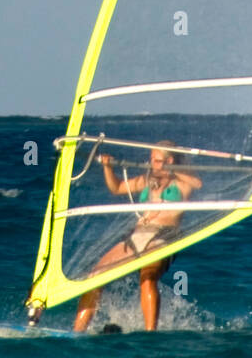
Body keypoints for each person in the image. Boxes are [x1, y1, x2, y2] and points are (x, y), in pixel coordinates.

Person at [73, 141, 202, 333]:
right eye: (151, 160)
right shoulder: (147, 180)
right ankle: (77, 331)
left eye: (157, 160)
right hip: (137, 235)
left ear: (170, 160)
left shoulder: (182, 184)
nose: (152, 164)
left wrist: (172, 169)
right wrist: (108, 168)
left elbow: (198, 184)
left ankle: (151, 333)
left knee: (148, 277)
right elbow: (116, 188)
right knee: (96, 275)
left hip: (164, 236)